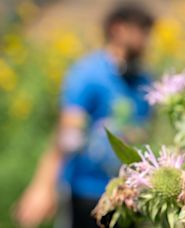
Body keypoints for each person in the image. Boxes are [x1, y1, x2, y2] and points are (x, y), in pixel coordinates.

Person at [14, 3, 154, 227]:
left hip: (129, 195)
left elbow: (143, 133)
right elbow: (67, 137)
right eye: (142, 31)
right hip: (85, 192)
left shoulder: (145, 81)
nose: (147, 40)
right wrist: (43, 185)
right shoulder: (88, 74)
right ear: (118, 29)